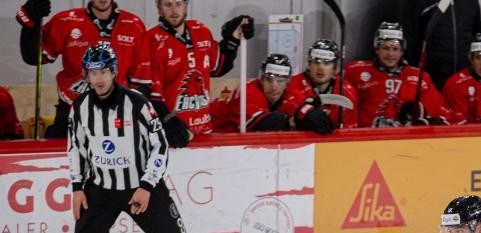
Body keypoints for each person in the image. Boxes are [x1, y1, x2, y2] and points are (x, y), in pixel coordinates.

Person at [68, 44, 227, 233]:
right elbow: (76, 149)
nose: (99, 78)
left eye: (103, 71)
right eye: (93, 73)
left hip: (142, 188)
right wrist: (78, 187)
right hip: (101, 189)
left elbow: (159, 146)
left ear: (114, 72)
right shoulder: (80, 108)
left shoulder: (137, 103)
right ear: (87, 75)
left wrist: (146, 186)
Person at [16, 0, 152, 138]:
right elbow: (33, 57)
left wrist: (138, 120)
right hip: (71, 113)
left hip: (116, 116)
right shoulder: (66, 20)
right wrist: (30, 24)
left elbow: (141, 84)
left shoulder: (134, 25)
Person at [146, 0, 254, 147]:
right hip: (174, 135)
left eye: (178, 3)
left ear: (185, 6)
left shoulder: (200, 31)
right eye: (168, 4)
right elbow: (151, 93)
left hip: (205, 132)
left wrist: (232, 40)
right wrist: (166, 119)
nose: (174, 10)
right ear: (159, 9)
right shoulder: (151, 40)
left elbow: (218, 68)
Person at [345, 22, 453, 127]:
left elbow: (441, 113)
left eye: (395, 49)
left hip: (405, 139)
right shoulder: (354, 71)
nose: (391, 54)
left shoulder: (419, 76)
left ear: (402, 51)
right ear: (377, 49)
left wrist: (426, 121)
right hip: (366, 139)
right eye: (385, 48)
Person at [403, 0, 481, 90]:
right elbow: (409, 41)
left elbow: (478, 39)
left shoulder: (471, 2)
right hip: (430, 79)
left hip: (464, 78)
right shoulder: (417, 2)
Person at [284, 39, 359, 134]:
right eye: (316, 62)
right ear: (309, 64)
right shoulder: (293, 84)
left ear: (334, 68)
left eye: (326, 63)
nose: (321, 67)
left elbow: (350, 132)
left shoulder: (346, 91)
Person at [211, 54, 298, 133]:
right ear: (261, 80)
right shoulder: (248, 90)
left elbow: (302, 109)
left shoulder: (290, 92)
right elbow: (258, 123)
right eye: (268, 80)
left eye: (280, 81)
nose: (274, 87)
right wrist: (291, 120)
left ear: (287, 83)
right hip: (210, 125)